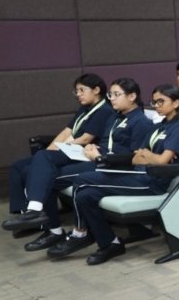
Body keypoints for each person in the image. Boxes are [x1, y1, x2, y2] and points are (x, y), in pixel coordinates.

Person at [47, 84, 179, 265]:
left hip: (152, 182)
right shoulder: (160, 126)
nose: (156, 105)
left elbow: (162, 161)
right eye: (154, 101)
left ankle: (80, 233)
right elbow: (137, 156)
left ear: (176, 103)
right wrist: (145, 156)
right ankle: (110, 243)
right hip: (138, 174)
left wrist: (146, 156)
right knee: (86, 195)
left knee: (82, 179)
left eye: (161, 101)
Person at [2, 77, 147, 251]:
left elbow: (135, 157)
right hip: (94, 157)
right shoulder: (116, 117)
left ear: (132, 97)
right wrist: (94, 148)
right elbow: (103, 142)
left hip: (106, 164)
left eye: (116, 94)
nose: (112, 98)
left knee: (48, 179)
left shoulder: (140, 121)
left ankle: (67, 230)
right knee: (41, 161)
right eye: (111, 94)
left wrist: (100, 157)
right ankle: (42, 217)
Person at [6, 73, 115, 226]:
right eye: (76, 91)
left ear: (96, 90)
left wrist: (60, 150)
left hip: (81, 151)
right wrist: (50, 150)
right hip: (70, 148)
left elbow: (85, 139)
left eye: (82, 90)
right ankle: (23, 213)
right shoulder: (84, 108)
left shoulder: (104, 110)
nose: (78, 94)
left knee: (32, 169)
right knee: (19, 166)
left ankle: (35, 213)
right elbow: (67, 131)